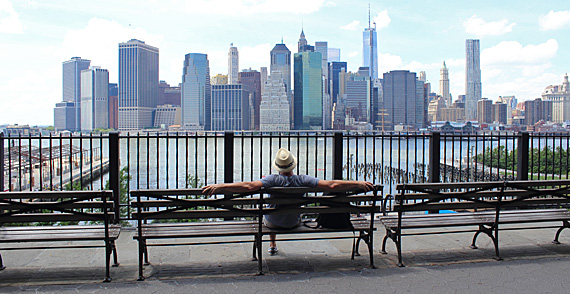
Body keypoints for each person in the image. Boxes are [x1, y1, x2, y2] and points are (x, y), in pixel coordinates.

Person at [202, 148, 374, 255]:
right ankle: (274, 241)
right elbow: (332, 184)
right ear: (293, 165)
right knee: (282, 210)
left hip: (273, 223)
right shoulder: (303, 180)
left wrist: (221, 186)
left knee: (270, 210)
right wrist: (358, 183)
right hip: (293, 221)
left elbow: (248, 187)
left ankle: (272, 244)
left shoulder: (271, 180)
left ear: (277, 166)